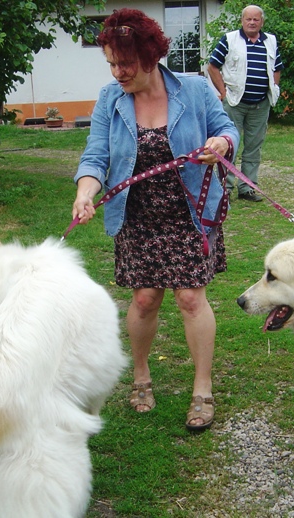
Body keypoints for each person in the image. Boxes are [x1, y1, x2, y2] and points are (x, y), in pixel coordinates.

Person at [71, 8, 239, 432]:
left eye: (123, 63)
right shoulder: (111, 98)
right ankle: (142, 376)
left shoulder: (197, 89)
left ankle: (202, 388)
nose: (116, 71)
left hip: (189, 213)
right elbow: (96, 155)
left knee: (190, 298)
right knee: (144, 299)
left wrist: (219, 141)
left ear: (149, 56)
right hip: (137, 214)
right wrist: (85, 192)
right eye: (110, 62)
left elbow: (227, 129)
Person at [207, 5, 283, 202]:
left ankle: (247, 188)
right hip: (234, 102)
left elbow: (277, 67)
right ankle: (224, 189)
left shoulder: (271, 41)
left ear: (261, 22)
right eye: (248, 19)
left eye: (255, 19)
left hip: (261, 103)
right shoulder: (229, 39)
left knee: (253, 147)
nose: (251, 22)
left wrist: (274, 87)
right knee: (229, 145)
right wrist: (223, 93)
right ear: (242, 21)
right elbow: (213, 66)